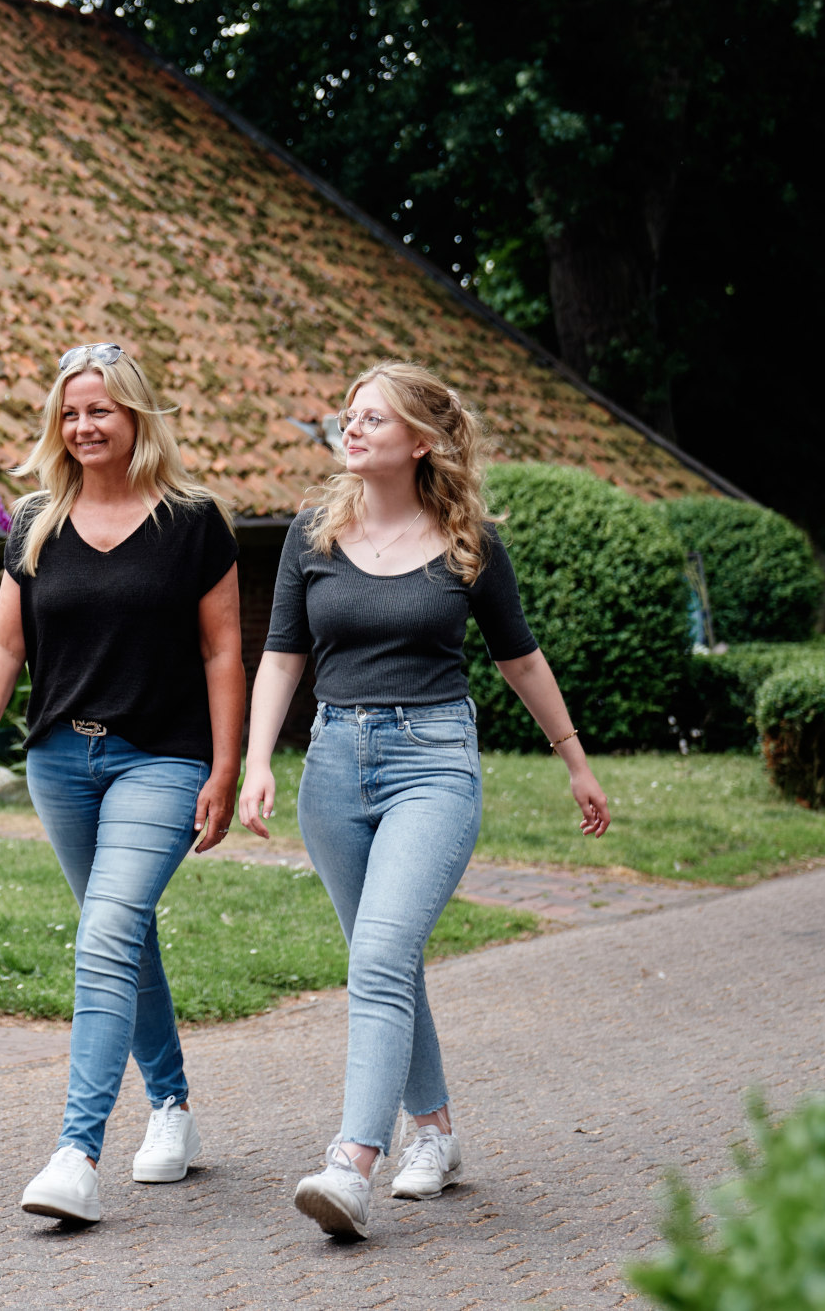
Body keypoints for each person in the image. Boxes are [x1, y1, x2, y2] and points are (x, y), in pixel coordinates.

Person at [238, 361, 611, 1241]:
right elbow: (282, 657)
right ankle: (434, 1131)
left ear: (422, 440)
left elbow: (520, 658)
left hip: (434, 763)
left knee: (377, 957)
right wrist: (259, 759)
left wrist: (576, 759)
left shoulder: (468, 541)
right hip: (332, 764)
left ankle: (351, 1162)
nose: (352, 427)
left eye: (374, 417)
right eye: (350, 414)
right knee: (385, 960)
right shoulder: (310, 534)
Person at [0, 342, 246, 1226]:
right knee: (115, 933)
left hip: (161, 758)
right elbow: (6, 641)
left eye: (101, 411)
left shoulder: (194, 522)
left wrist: (228, 766)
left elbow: (222, 649)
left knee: (107, 931)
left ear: (135, 417)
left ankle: (76, 1153)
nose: (84, 426)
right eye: (71, 412)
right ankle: (172, 1104)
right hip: (59, 760)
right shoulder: (40, 519)